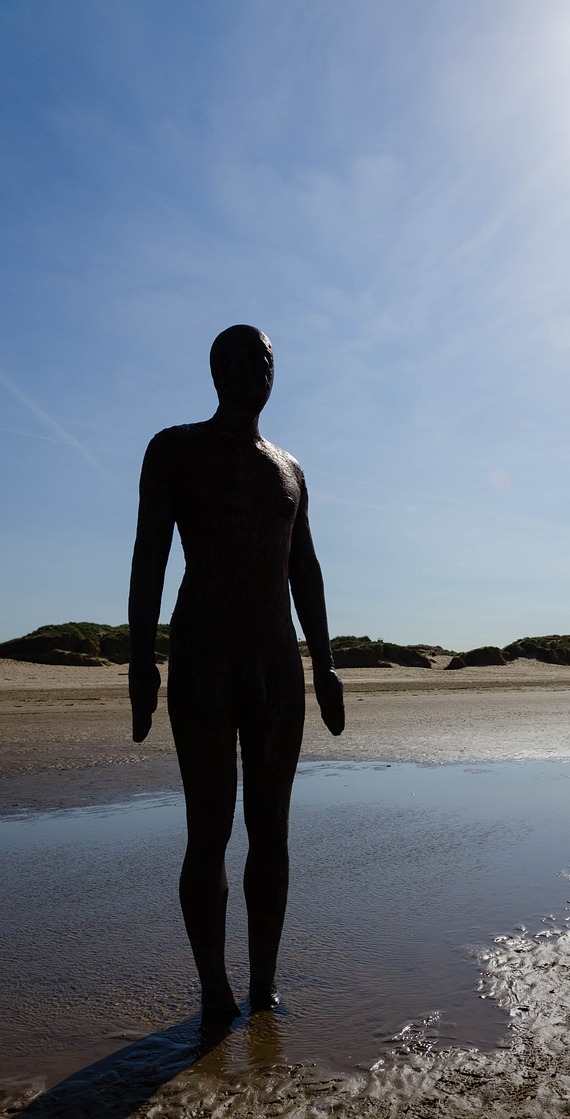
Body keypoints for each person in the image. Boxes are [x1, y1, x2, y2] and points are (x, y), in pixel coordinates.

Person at [128, 325, 344, 1018]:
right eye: (246, 356)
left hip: (278, 662)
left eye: (268, 358)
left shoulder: (289, 469)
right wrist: (141, 662)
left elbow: (304, 570)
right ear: (216, 369)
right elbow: (149, 560)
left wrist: (328, 665)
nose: (260, 367)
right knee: (210, 830)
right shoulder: (175, 450)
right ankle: (215, 989)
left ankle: (263, 983)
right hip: (204, 658)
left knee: (272, 831)